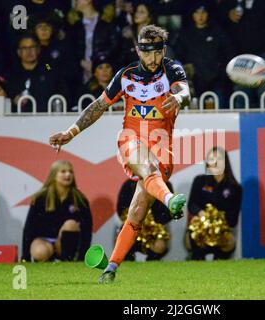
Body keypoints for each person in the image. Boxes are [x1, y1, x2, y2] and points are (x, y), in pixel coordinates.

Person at [49, 24, 190, 284]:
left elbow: (185, 91)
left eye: (158, 52)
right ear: (138, 50)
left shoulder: (172, 69)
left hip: (162, 146)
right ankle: (169, 199)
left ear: (164, 50)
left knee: (137, 210)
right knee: (144, 163)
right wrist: (71, 132)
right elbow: (99, 105)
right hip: (131, 140)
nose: (153, 59)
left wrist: (179, 99)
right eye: (147, 52)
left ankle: (111, 267)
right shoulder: (125, 76)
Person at [21, 160, 93, 262]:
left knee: (70, 224)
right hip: (43, 240)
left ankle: (67, 259)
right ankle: (46, 258)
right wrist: (25, 257)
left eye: (70, 172)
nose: (68, 174)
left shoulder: (80, 199)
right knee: (40, 252)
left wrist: (83, 256)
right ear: (54, 175)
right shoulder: (40, 198)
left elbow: (87, 229)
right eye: (63, 171)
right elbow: (29, 227)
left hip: (64, 244)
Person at [186, 147, 242, 260]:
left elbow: (233, 220)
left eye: (219, 159)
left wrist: (217, 221)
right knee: (192, 238)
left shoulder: (235, 188)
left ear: (225, 162)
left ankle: (221, 268)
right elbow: (191, 205)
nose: (215, 162)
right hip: (200, 230)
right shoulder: (199, 181)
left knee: (229, 242)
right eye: (212, 159)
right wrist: (201, 214)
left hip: (222, 232)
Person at [174, 2, 233, 108]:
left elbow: (228, 54)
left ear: (208, 14)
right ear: (193, 15)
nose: (200, 16)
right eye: (197, 13)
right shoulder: (186, 34)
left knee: (220, 115)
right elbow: (178, 56)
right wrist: (185, 69)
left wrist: (221, 72)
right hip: (195, 85)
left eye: (203, 12)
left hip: (217, 83)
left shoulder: (218, 33)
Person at [7, 34, 69, 112]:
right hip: (18, 119)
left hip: (46, 117)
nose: (29, 51)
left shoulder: (47, 67)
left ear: (38, 49)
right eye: (24, 48)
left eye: (32, 47)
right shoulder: (12, 72)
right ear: (19, 52)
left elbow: (59, 86)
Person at [116, 179, 173, 261]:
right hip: (132, 226)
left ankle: (153, 264)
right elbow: (121, 209)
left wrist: (150, 222)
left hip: (154, 229)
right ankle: (127, 262)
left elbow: (168, 212)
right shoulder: (129, 184)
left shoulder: (165, 184)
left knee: (159, 246)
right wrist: (136, 218)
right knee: (123, 246)